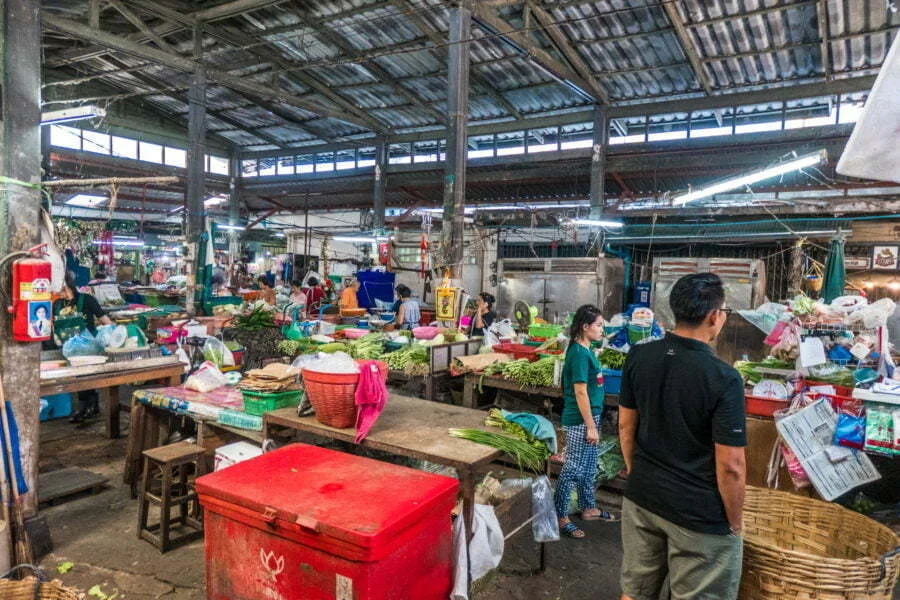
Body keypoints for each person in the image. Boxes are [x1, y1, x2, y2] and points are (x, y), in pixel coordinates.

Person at [618, 273, 746, 600]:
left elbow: (625, 427)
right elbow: (731, 466)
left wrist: (638, 473)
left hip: (642, 497)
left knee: (635, 591)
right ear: (714, 316)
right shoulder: (724, 378)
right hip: (697, 515)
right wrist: (734, 522)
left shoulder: (639, 356)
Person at [554, 304, 618, 539]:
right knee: (573, 468)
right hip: (580, 420)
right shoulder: (578, 354)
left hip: (591, 417)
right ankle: (560, 516)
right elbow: (580, 392)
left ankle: (588, 508)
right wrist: (590, 425)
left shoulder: (587, 348)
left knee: (588, 468)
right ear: (585, 326)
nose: (602, 329)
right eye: (599, 325)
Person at [53, 271, 113, 423]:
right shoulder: (57, 304)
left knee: (86, 378)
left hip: (89, 349)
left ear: (66, 285)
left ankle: (89, 407)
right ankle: (88, 407)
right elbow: (53, 325)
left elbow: (105, 320)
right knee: (77, 379)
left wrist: (116, 335)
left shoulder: (87, 300)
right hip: (68, 349)